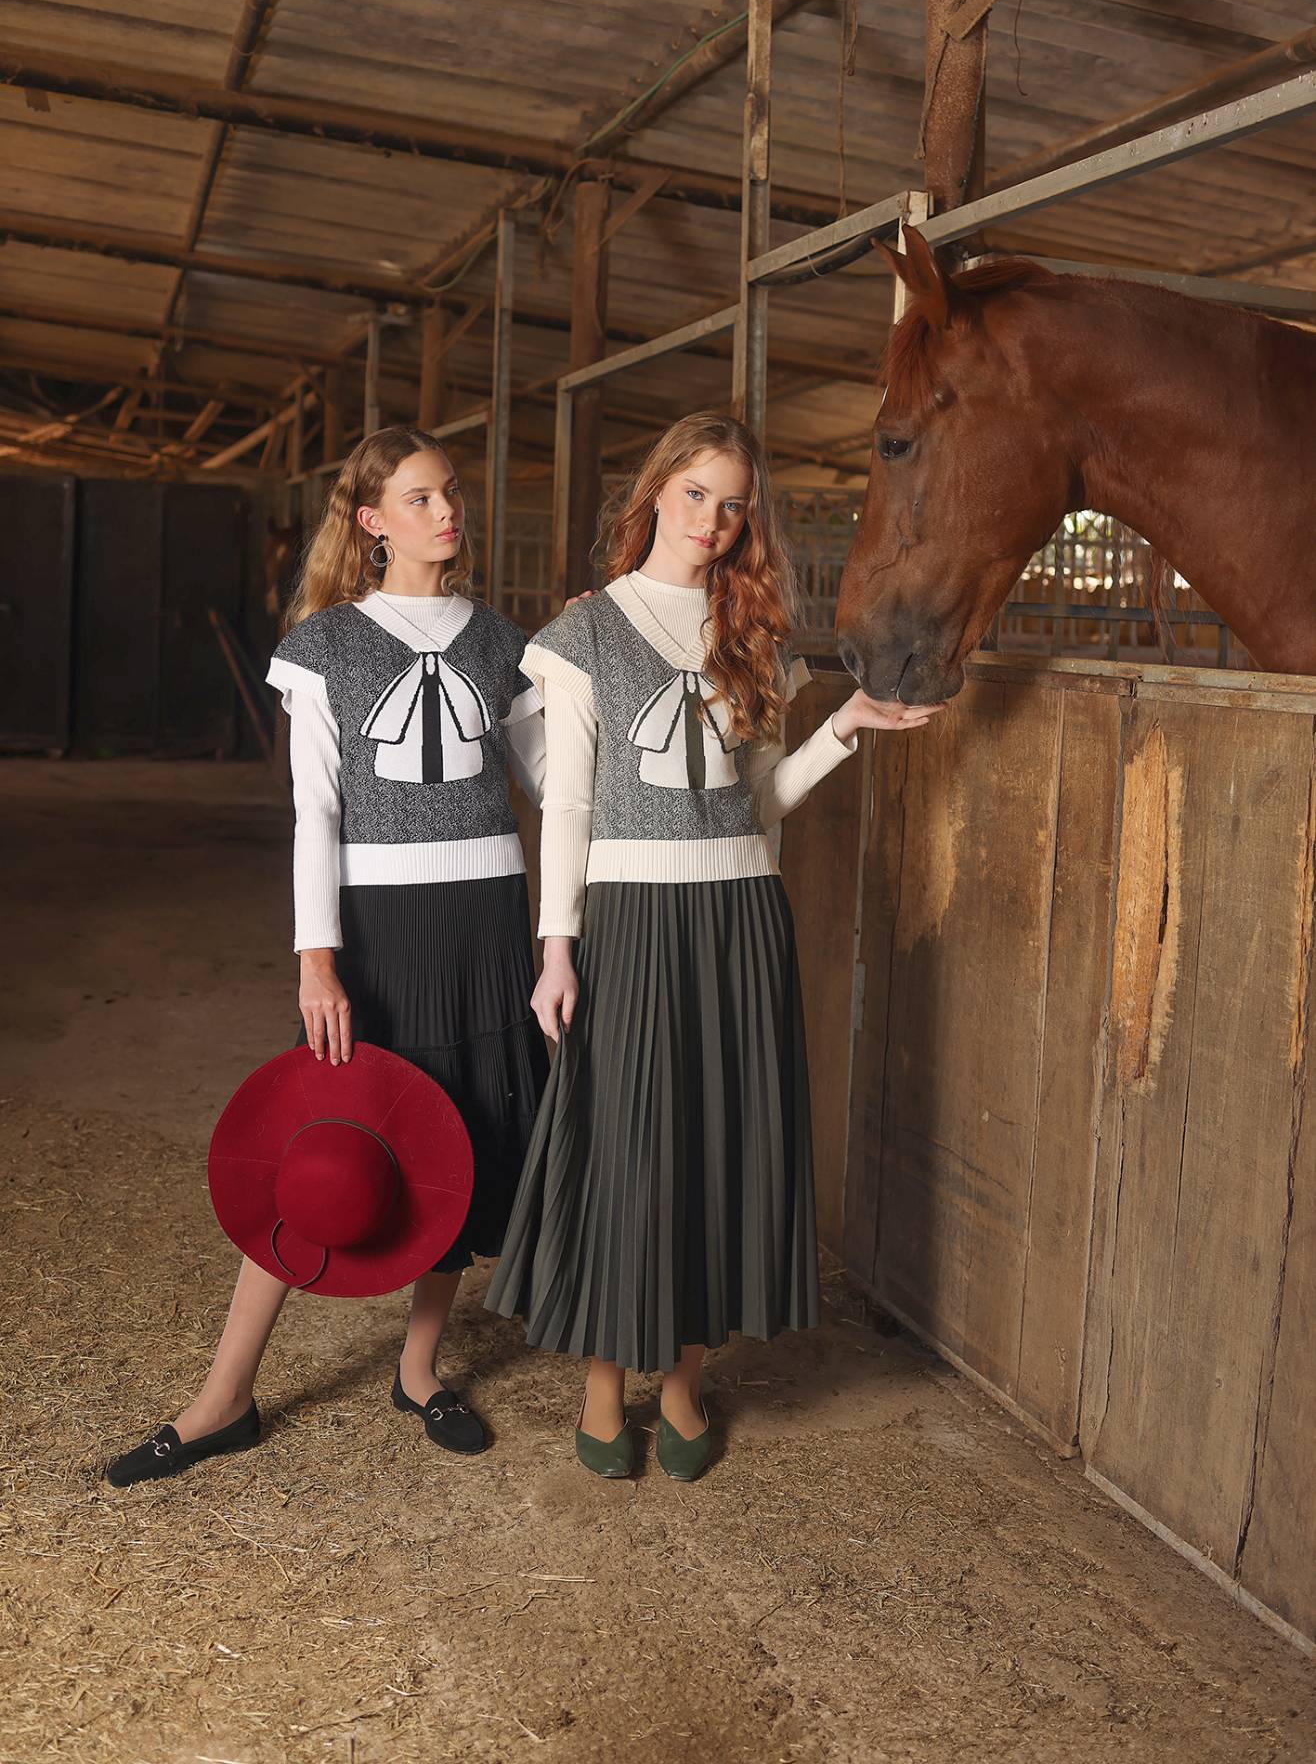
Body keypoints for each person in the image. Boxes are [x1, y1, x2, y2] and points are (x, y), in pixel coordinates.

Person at [485, 411, 936, 1480]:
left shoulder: (753, 634)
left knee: (715, 1149)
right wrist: (557, 948)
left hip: (739, 917)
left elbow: (758, 804)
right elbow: (569, 805)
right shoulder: (582, 635)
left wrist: (842, 729)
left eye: (733, 505)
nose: (712, 521)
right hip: (632, 920)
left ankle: (684, 1380)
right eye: (696, 494)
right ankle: (605, 1385)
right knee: (627, 1149)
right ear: (656, 492)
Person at [105, 427, 548, 1485]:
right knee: (319, 1143)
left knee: (460, 1139)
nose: (447, 510)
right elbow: (316, 812)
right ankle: (225, 1396)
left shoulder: (505, 643)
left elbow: (552, 783)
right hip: (377, 928)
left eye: (450, 491)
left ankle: (420, 1369)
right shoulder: (324, 646)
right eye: (420, 496)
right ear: (371, 520)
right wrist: (317, 957)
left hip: (488, 919)